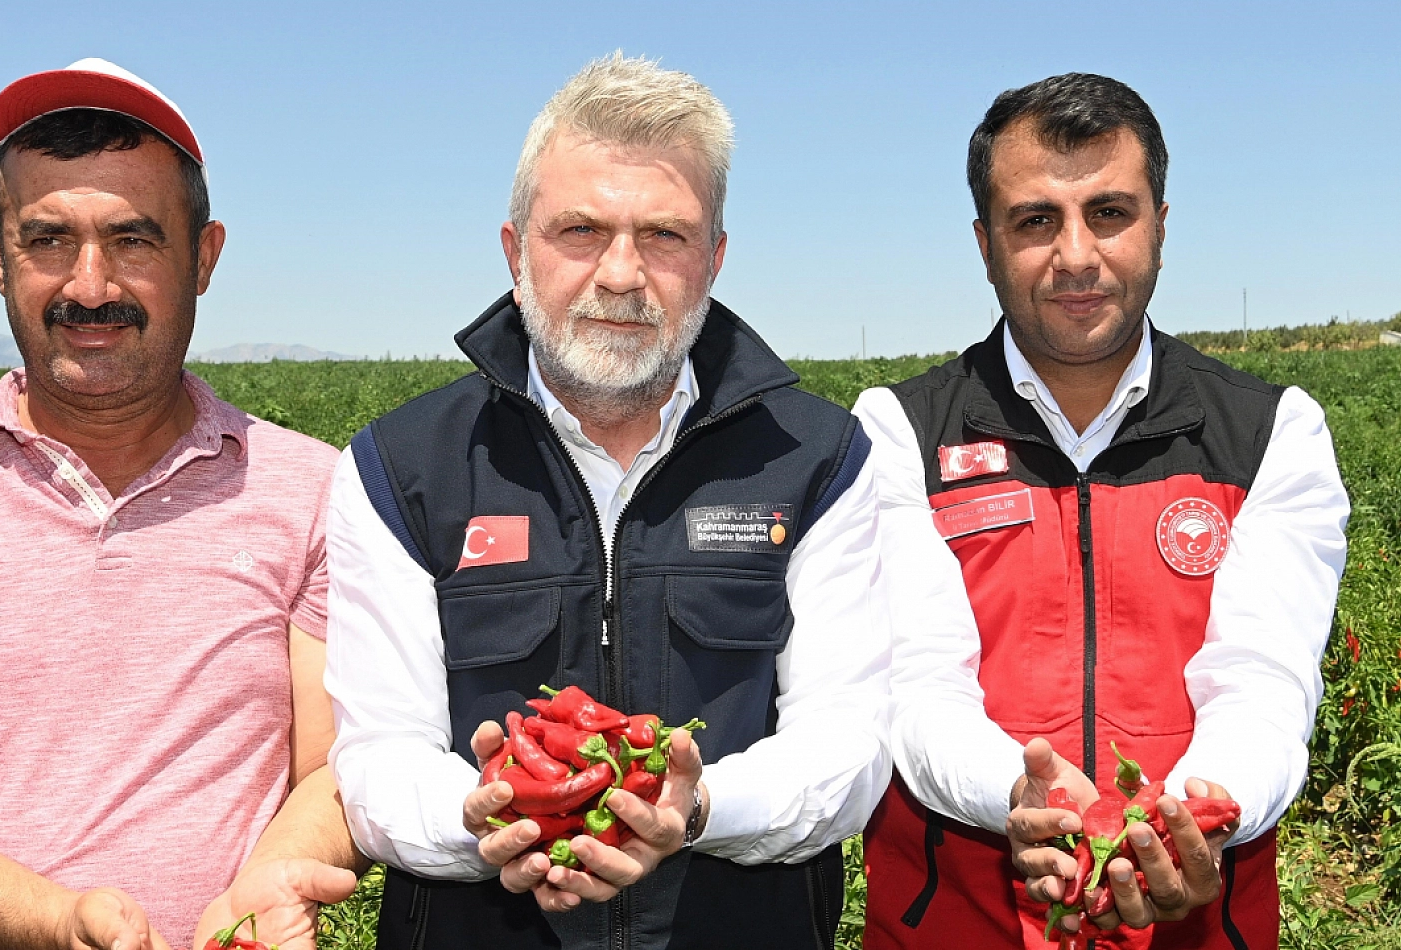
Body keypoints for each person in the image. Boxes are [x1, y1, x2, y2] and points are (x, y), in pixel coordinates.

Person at [0, 58, 361, 950]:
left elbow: (333, 766)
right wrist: (53, 923)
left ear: (203, 257)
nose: (90, 287)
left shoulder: (314, 491)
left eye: (134, 240)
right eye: (47, 240)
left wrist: (270, 883)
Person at [325, 53, 892, 950]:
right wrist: (488, 820)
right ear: (516, 252)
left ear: (714, 259)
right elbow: (376, 757)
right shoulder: (402, 467)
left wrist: (696, 807)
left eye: (664, 236)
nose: (622, 274)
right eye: (580, 231)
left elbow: (848, 747)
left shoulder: (817, 459)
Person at [854, 73, 1349, 949]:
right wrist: (1015, 792)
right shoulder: (897, 430)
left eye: (1110, 213)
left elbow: (1265, 679)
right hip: (959, 923)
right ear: (985, 242)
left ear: (1161, 223)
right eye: (1035, 219)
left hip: (1199, 921)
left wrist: (1193, 816)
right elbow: (915, 685)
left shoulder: (1272, 431)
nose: (1076, 255)